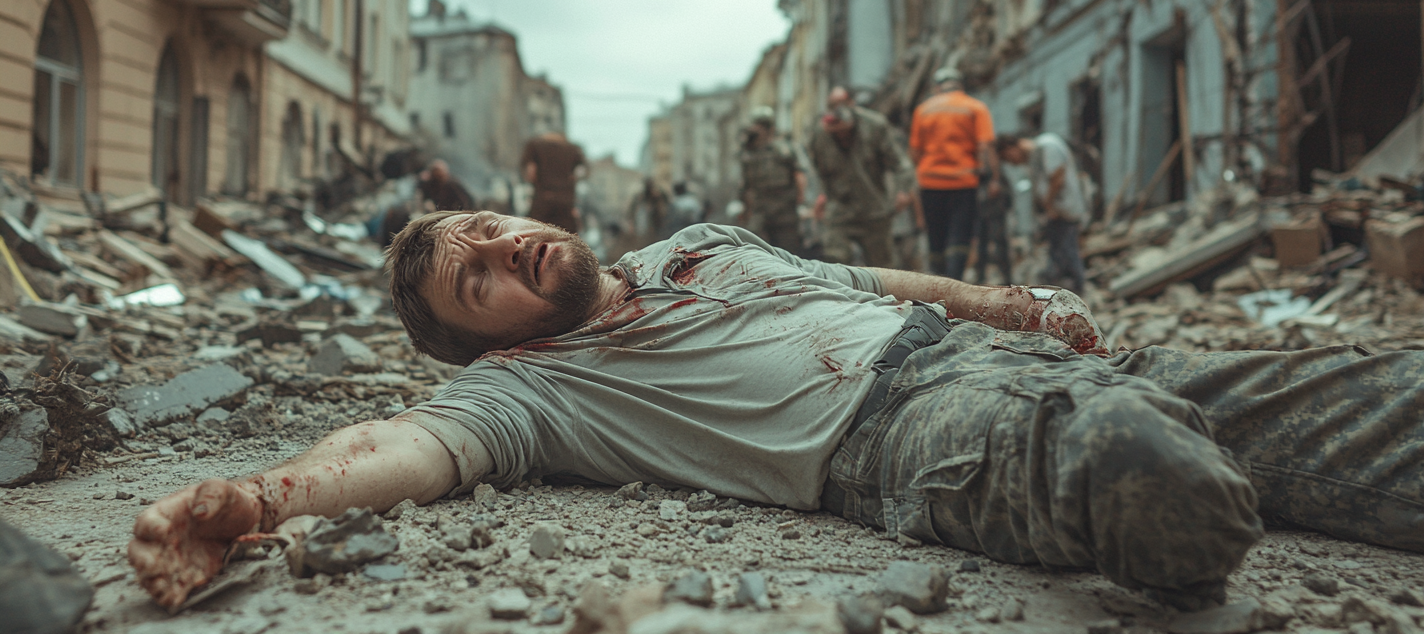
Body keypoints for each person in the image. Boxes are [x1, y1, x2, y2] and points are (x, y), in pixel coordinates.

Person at [129, 211, 1424, 614]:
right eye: (476, 282)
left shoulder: (698, 245)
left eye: (488, 230)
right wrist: (261, 498)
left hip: (979, 345)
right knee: (1151, 473)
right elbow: (399, 447)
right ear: (485, 343)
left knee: (1383, 404)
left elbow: (866, 281)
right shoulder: (532, 392)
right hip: (905, 433)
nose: (502, 252)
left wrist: (1017, 305)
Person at [808, 88, 914, 268]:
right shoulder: (819, 135)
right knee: (835, 261)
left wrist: (903, 191)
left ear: (851, 104)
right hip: (839, 210)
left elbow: (901, 165)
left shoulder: (875, 126)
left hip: (874, 209)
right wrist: (820, 197)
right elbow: (817, 172)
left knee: (882, 268)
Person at [909, 64, 998, 279]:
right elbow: (985, 146)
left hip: (930, 183)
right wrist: (993, 178)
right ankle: (953, 281)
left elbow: (914, 151)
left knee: (936, 237)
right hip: (964, 182)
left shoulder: (923, 110)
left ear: (937, 87)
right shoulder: (975, 107)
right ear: (960, 85)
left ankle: (937, 284)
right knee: (960, 236)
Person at [997, 132, 1087, 293]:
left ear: (1011, 148)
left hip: (1063, 210)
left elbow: (1057, 175)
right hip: (1057, 212)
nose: (1013, 163)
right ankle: (1067, 293)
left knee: (1067, 254)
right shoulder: (1036, 156)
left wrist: (1049, 205)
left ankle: (1076, 294)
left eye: (1008, 158)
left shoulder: (1047, 145)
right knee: (1060, 254)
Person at [737, 106, 807, 253]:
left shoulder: (784, 149)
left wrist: (800, 200)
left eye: (761, 126)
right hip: (760, 211)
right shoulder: (749, 153)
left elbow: (799, 175)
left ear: (769, 128)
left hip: (784, 211)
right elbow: (746, 185)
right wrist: (745, 211)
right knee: (752, 249)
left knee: (787, 252)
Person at [520, 131, 586, 233]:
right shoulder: (573, 149)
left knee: (535, 235)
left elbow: (531, 172)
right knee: (568, 239)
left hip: (542, 201)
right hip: (566, 204)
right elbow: (580, 173)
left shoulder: (535, 146)